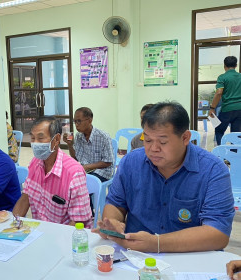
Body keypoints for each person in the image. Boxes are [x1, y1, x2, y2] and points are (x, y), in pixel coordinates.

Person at [94, 101, 234, 253]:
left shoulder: (213, 170)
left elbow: (218, 233)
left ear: (185, 138)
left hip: (190, 256)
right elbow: (115, 202)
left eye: (163, 141)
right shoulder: (131, 162)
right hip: (135, 255)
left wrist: (157, 243)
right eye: (147, 140)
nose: (153, 149)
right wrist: (114, 222)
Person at [13, 116, 92, 228]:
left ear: (56, 139)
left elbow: (79, 221)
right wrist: (14, 226)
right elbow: (25, 197)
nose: (35, 144)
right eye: (32, 138)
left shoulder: (74, 173)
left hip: (64, 235)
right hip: (40, 231)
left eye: (40, 138)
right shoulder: (35, 163)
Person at [63, 107, 114, 182]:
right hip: (86, 170)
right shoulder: (78, 136)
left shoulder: (103, 136)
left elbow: (108, 162)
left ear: (90, 120)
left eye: (79, 121)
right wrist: (70, 145)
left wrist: (87, 166)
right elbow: (75, 157)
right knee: (65, 176)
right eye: (75, 121)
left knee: (81, 182)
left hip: (102, 171)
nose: (76, 125)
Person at [209, 56, 241, 145]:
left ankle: (221, 154)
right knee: (236, 134)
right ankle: (234, 156)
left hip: (227, 109)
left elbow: (219, 93)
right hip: (239, 110)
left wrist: (212, 108)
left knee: (219, 130)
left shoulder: (222, 77)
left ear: (224, 66)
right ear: (236, 65)